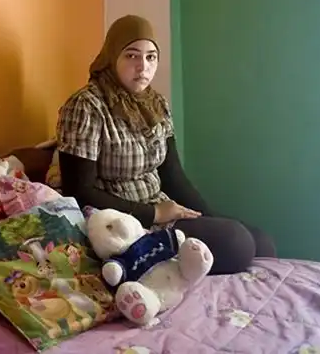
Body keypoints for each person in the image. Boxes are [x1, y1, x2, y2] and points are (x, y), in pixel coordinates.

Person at [56, 14, 276, 275]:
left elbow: (173, 176)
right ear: (112, 57)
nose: (143, 67)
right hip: (123, 223)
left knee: (261, 242)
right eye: (131, 56)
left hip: (163, 210)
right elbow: (78, 191)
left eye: (151, 57)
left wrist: (206, 216)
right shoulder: (86, 106)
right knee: (237, 244)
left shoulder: (156, 104)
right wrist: (155, 214)